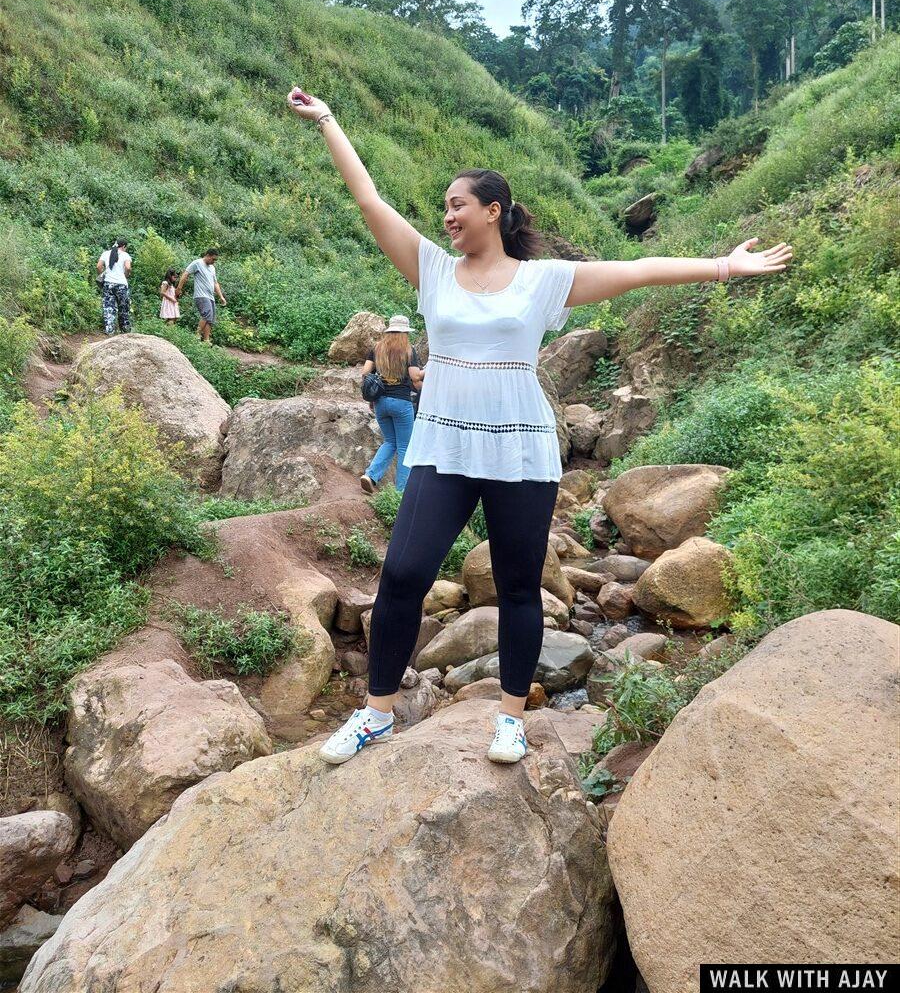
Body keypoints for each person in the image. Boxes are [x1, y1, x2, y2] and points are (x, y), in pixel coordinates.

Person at [287, 87, 792, 767]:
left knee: (521, 586)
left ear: (493, 211)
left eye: (458, 205)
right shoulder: (434, 270)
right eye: (444, 208)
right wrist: (327, 121)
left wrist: (724, 266)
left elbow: (637, 271)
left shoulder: (542, 281)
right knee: (404, 574)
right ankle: (376, 714)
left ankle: (511, 718)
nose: (447, 217)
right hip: (445, 444)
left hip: (519, 448)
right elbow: (370, 201)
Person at [360, 315, 425, 495]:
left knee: (390, 441)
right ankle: (401, 491)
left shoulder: (377, 348)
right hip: (401, 403)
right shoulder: (409, 350)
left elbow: (365, 372)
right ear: (405, 332)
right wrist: (428, 371)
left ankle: (370, 475)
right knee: (405, 446)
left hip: (380, 402)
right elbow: (415, 377)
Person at [175, 249, 226, 342]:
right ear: (208, 255)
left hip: (210, 296)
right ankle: (196, 335)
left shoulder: (212, 268)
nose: (214, 262)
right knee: (206, 314)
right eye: (213, 259)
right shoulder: (197, 263)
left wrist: (221, 296)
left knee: (210, 319)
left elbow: (215, 283)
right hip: (201, 295)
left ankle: (206, 341)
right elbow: (185, 274)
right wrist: (179, 288)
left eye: (215, 260)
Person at [96, 239, 132, 336]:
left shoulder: (106, 253)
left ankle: (109, 330)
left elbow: (99, 266)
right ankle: (125, 331)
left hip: (108, 283)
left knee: (108, 307)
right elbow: (128, 268)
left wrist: (102, 275)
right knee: (123, 308)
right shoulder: (125, 255)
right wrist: (126, 275)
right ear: (124, 246)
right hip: (121, 285)